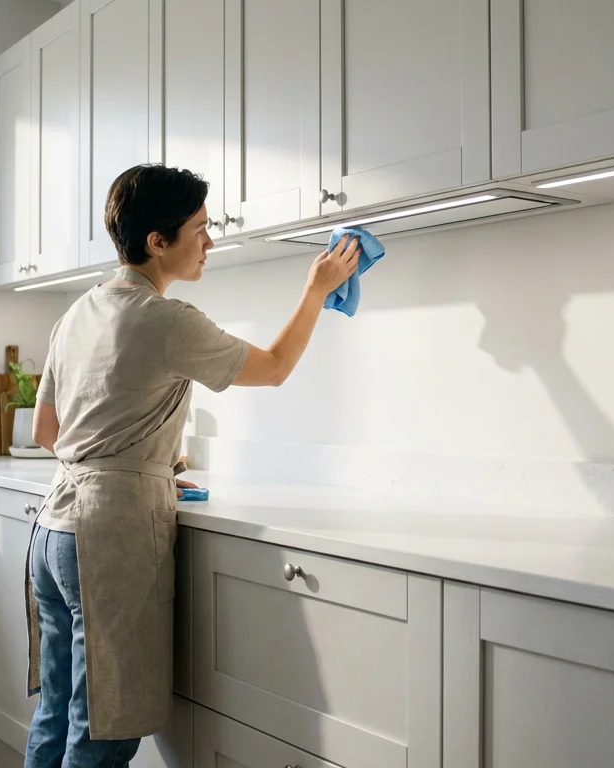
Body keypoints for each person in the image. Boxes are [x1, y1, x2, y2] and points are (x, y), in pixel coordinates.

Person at [23, 164, 361, 768]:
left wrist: (134, 464)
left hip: (51, 530)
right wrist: (316, 287)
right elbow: (276, 366)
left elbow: (45, 431)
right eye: (200, 229)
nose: (210, 242)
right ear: (158, 241)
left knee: (57, 711)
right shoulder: (165, 318)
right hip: (107, 538)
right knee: (105, 728)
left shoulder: (77, 313)